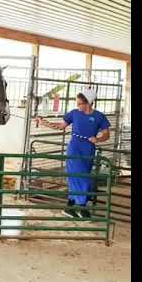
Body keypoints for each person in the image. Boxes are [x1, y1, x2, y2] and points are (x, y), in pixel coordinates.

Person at [35, 88, 110, 219]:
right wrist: (44, 123)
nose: (78, 106)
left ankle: (69, 207)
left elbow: (106, 134)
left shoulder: (99, 116)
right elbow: (60, 126)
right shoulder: (74, 113)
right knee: (82, 178)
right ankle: (82, 207)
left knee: (79, 177)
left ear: (88, 103)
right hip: (74, 148)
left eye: (80, 103)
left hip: (89, 150)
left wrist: (98, 139)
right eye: (77, 103)